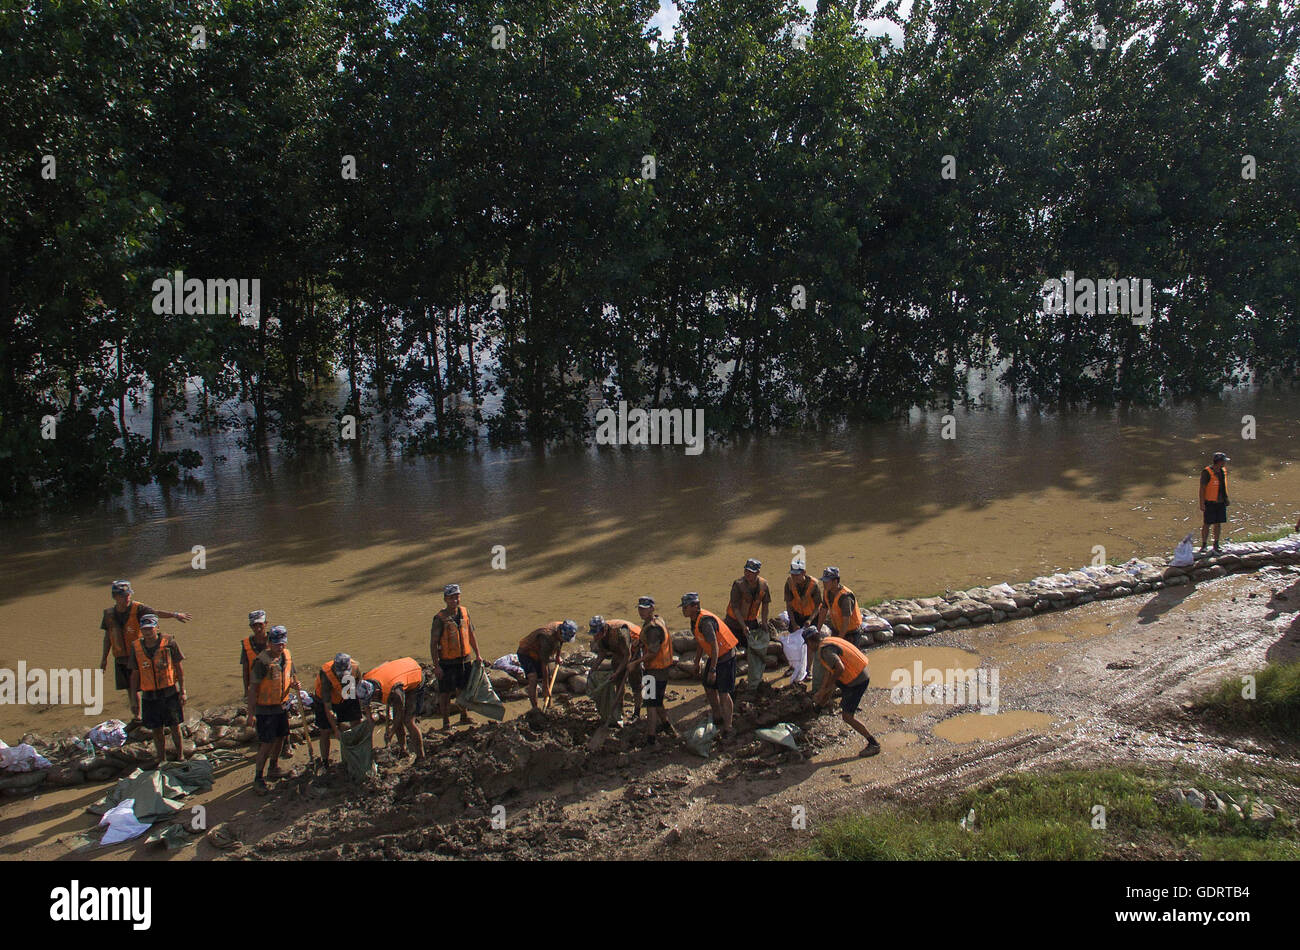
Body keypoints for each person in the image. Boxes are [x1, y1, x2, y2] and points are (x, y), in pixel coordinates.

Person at [99, 580, 191, 721]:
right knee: (130, 688)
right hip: (121, 657)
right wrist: (104, 659)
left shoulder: (139, 609)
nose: (127, 597)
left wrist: (174, 615)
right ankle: (137, 716)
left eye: (129, 594)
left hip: (140, 654)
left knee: (148, 684)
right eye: (123, 595)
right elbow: (108, 637)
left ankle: (157, 713)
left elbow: (155, 613)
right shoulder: (108, 614)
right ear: (115, 597)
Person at [803, 626, 881, 758]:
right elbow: (829, 671)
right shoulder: (827, 641)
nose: (808, 648)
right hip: (857, 672)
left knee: (847, 717)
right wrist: (823, 689)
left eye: (807, 645)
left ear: (810, 642)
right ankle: (817, 710)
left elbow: (839, 668)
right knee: (830, 687)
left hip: (856, 680)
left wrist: (827, 688)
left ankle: (873, 743)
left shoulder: (825, 651)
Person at [246, 625, 301, 794]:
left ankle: (274, 767)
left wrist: (294, 684)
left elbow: (290, 676)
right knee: (266, 743)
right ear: (269, 643)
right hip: (265, 709)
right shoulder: (261, 662)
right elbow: (252, 689)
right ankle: (258, 778)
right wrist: (251, 714)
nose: (280, 647)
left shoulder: (287, 656)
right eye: (277, 644)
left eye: (282, 643)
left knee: (281, 738)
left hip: (281, 705)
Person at [127, 613, 187, 762]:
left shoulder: (169, 642)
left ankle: (180, 756)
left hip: (169, 692)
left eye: (150, 628)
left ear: (157, 627)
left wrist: (183, 690)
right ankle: (162, 759)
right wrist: (134, 700)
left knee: (175, 726)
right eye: (145, 629)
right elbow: (134, 675)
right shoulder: (136, 647)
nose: (148, 632)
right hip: (149, 695)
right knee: (156, 730)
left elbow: (179, 668)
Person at [681, 592, 739, 738]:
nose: (683, 610)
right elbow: (701, 643)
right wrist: (696, 662)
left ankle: (728, 726)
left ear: (695, 606)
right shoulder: (694, 620)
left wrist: (713, 669)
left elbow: (714, 646)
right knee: (707, 685)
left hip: (724, 657)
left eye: (686, 607)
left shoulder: (705, 622)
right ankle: (717, 715)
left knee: (723, 693)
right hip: (715, 657)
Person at [429, 583, 481, 731]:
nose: (455, 601)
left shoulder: (464, 612)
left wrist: (478, 654)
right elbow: (433, 643)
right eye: (451, 598)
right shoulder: (439, 619)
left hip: (464, 659)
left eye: (457, 597)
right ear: (445, 599)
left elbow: (471, 634)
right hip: (447, 662)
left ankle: (464, 716)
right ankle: (446, 723)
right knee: (445, 693)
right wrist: (436, 666)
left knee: (463, 689)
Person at [242, 610, 293, 758]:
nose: (257, 628)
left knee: (283, 724)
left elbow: (287, 665)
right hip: (260, 685)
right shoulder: (247, 645)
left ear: (265, 624)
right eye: (254, 625)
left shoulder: (276, 639)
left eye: (260, 625)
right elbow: (245, 669)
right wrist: (247, 690)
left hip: (277, 687)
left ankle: (285, 746)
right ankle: (264, 750)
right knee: (266, 728)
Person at [361, 657, 427, 761]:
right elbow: (366, 704)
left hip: (415, 678)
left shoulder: (395, 692)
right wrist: (369, 720)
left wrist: (391, 731)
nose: (373, 700)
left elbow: (399, 715)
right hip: (398, 673)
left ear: (377, 691)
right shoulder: (365, 681)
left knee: (408, 721)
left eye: (373, 698)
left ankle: (421, 756)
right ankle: (403, 750)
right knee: (398, 723)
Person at [634, 596, 678, 743]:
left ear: (652, 609)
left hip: (654, 670)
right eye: (640, 609)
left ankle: (651, 737)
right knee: (657, 700)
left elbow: (653, 651)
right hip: (661, 669)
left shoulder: (652, 628)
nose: (641, 612)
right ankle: (667, 725)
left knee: (650, 703)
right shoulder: (657, 620)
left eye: (645, 609)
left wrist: (636, 663)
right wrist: (641, 642)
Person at [589, 615, 642, 725]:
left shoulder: (620, 632)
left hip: (634, 648)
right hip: (618, 652)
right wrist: (593, 669)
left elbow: (627, 655)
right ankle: (619, 711)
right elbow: (602, 654)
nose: (595, 637)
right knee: (618, 683)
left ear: (604, 630)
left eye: (597, 634)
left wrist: (618, 671)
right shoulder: (600, 637)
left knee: (635, 684)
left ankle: (637, 713)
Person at [314, 652, 363, 768]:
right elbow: (327, 706)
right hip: (324, 700)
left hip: (345, 692)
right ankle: (325, 762)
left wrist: (362, 710)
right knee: (325, 730)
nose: (342, 676)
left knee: (356, 722)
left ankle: (357, 753)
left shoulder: (355, 668)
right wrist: (335, 730)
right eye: (340, 674)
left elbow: (358, 692)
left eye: (345, 674)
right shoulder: (326, 674)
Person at [518, 620, 578, 710]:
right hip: (526, 652)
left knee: (549, 678)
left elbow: (560, 642)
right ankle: (535, 709)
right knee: (533, 678)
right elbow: (544, 663)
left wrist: (558, 656)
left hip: (540, 651)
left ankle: (548, 706)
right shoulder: (547, 637)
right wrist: (545, 687)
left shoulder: (561, 627)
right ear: (559, 632)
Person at [1199, 452, 1230, 553]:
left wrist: (1226, 499)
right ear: (1220, 462)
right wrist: (1202, 503)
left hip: (1220, 502)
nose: (1225, 463)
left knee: (1218, 523)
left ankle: (1216, 544)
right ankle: (1204, 545)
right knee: (1207, 524)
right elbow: (1202, 489)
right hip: (1210, 502)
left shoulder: (1222, 471)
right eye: (1224, 461)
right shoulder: (1207, 472)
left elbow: (1223, 487)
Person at [784, 559, 822, 634]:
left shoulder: (813, 585)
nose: (794, 577)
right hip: (797, 616)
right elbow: (788, 606)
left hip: (812, 616)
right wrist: (794, 624)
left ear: (804, 572)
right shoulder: (789, 583)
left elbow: (818, 606)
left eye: (797, 575)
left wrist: (810, 620)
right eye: (792, 574)